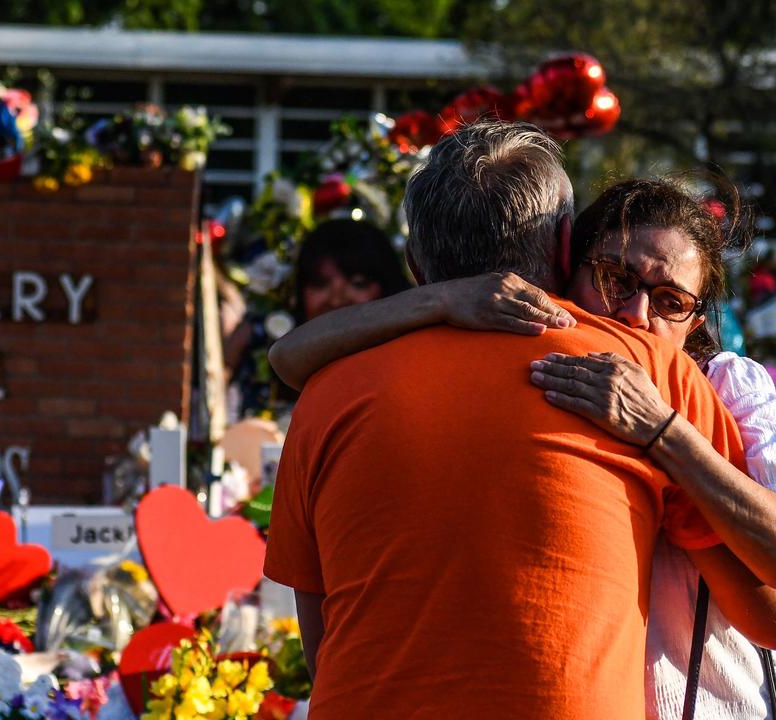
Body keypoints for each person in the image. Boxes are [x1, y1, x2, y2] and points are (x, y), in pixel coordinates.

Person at [263, 122, 753, 719]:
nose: (638, 310)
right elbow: (762, 609)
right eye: (618, 279)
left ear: (415, 263)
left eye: (671, 301)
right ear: (564, 245)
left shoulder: (325, 390)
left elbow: (324, 648)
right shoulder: (647, 367)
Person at [223, 218, 410, 416]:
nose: (336, 300)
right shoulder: (257, 339)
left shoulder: (409, 355)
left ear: (388, 290)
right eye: (320, 284)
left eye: (358, 283)